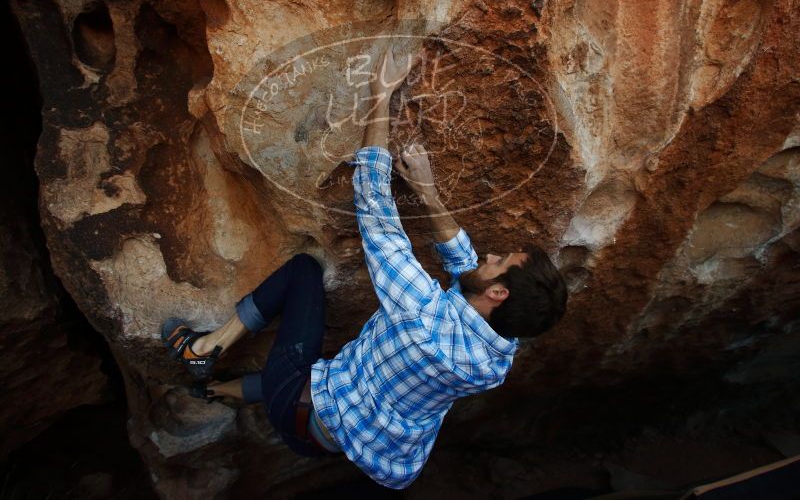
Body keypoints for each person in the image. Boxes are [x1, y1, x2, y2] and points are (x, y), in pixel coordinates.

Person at [161, 47, 568, 489]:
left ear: (498, 293)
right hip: (330, 447)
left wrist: (381, 93)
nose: (489, 257)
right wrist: (428, 194)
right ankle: (217, 391)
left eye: (499, 263)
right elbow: (466, 269)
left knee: (302, 274)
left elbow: (376, 213)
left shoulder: (421, 316)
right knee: (330, 376)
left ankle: (202, 351)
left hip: (297, 407)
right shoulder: (495, 360)